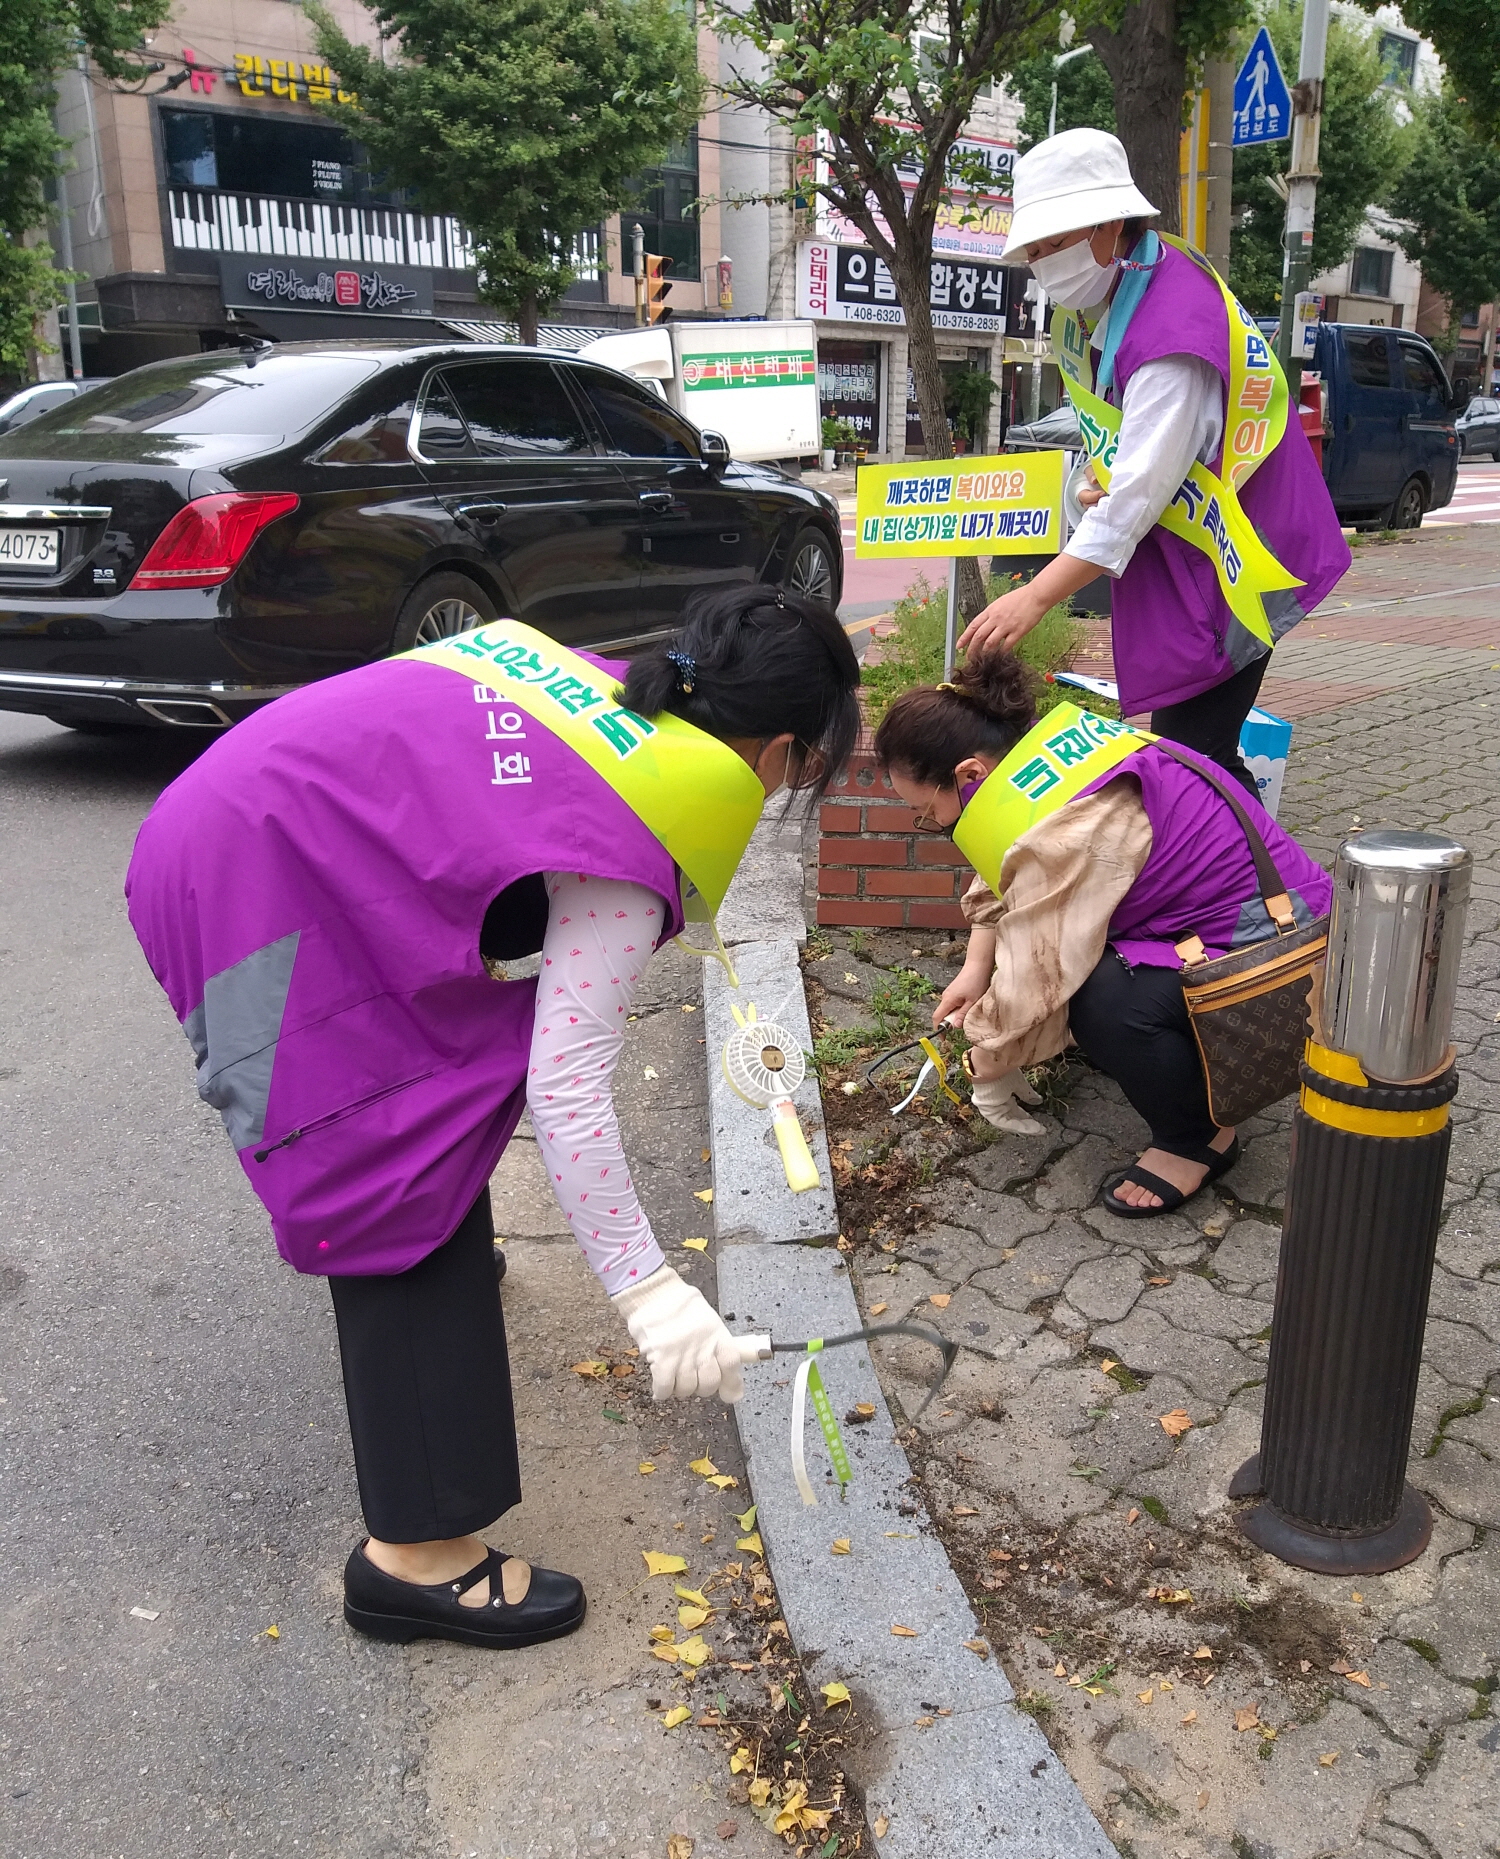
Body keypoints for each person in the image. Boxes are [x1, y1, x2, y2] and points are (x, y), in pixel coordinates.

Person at [126, 586, 860, 1651]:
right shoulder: (631, 826)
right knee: (379, 1154)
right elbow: (566, 1084)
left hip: (237, 819)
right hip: (245, 876)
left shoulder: (612, 697)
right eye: (804, 767)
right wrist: (651, 1294)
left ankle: (443, 1257)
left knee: (439, 1086)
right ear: (782, 747)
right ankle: (413, 1559)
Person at [963, 128, 1349, 794]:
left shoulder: (1173, 328)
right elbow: (1121, 449)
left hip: (1244, 559)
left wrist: (1034, 596)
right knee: (1195, 761)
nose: (1044, 264)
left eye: (1055, 244)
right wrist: (1092, 481)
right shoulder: (1124, 293)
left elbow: (1136, 499)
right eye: (1034, 252)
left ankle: (1273, 895)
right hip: (1194, 554)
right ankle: (1263, 891)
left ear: (1110, 225)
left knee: (1191, 765)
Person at [872, 652, 1332, 1211]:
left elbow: (1040, 967)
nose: (935, 825)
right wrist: (974, 971)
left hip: (1279, 957)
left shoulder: (1073, 825)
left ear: (970, 774)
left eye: (928, 812)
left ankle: (1197, 1140)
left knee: (1101, 1000)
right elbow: (1004, 877)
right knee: (1097, 987)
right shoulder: (1050, 762)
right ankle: (1166, 1060)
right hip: (1251, 917)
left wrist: (990, 1058)